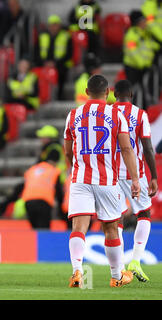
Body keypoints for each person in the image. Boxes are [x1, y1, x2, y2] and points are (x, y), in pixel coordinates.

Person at [64, 74, 139, 288]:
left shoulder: (73, 114)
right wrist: (135, 179)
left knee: (78, 227)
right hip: (107, 180)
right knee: (111, 228)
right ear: (108, 93)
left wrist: (74, 169)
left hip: (80, 179)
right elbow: (126, 148)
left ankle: (77, 271)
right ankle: (117, 276)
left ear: (86, 92)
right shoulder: (116, 114)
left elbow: (67, 151)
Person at [112, 80, 158, 282]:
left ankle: (120, 268)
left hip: (110, 173)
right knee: (144, 212)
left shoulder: (106, 113)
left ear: (114, 95)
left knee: (117, 218)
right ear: (131, 94)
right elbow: (148, 147)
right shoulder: (140, 114)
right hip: (134, 173)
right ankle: (136, 262)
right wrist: (154, 176)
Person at [7, 150, 64, 229]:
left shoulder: (33, 169)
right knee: (44, 231)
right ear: (56, 161)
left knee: (36, 230)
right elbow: (59, 192)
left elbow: (23, 185)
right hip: (44, 201)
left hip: (29, 202)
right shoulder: (54, 171)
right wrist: (61, 211)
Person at [123, 10, 160, 108]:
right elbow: (133, 53)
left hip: (142, 68)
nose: (146, 23)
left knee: (143, 92)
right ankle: (133, 113)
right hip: (133, 68)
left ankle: (142, 112)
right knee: (135, 91)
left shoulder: (145, 33)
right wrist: (144, 64)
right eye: (143, 21)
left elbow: (151, 46)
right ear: (138, 22)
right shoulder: (132, 35)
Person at [36, 15, 73, 100]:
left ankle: (59, 97)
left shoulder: (66, 36)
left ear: (59, 25)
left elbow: (69, 54)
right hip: (44, 64)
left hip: (61, 64)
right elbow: (37, 52)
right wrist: (44, 63)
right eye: (51, 25)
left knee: (61, 74)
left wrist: (55, 63)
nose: (53, 27)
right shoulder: (42, 36)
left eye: (55, 25)